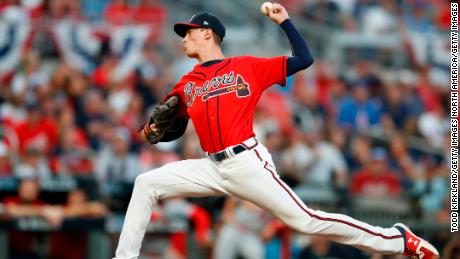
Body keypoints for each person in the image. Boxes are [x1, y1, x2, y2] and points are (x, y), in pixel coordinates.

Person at [114, 3, 439, 259]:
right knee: (146, 183)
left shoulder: (247, 67)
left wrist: (284, 21)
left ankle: (398, 240)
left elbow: (304, 59)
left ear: (207, 33)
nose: (184, 38)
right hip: (209, 166)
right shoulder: (186, 84)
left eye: (189, 32)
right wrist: (152, 130)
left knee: (306, 221)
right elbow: (170, 128)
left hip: (246, 163)